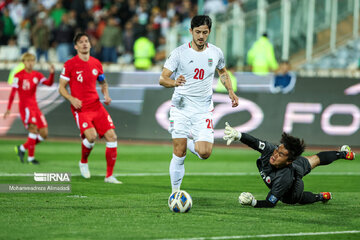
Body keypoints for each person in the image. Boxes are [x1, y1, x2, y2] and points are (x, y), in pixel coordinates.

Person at [159, 15, 239, 193]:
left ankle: (186, 141)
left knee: (204, 153)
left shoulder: (216, 52)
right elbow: (162, 78)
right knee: (179, 152)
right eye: (197, 32)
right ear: (191, 32)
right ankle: (175, 193)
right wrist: (174, 82)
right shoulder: (179, 53)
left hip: (203, 110)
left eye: (204, 32)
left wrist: (230, 91)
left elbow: (223, 72)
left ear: (209, 32)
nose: (201, 36)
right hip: (181, 107)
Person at [223, 122, 356, 208]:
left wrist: (253, 202)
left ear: (288, 161)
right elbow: (254, 142)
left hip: (293, 187)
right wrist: (239, 135)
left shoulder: (283, 179)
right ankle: (344, 154)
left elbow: (270, 202)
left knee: (295, 199)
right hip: (294, 165)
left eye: (280, 154)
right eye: (277, 150)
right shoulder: (271, 151)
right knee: (316, 159)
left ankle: (320, 196)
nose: (275, 154)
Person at [58, 32, 121, 184]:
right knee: (91, 136)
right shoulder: (70, 64)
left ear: (90, 45)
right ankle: (83, 162)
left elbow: (103, 82)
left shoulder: (96, 63)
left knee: (112, 137)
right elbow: (61, 88)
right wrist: (71, 98)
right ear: (76, 46)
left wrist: (106, 95)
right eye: (81, 42)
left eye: (86, 41)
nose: (85, 43)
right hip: (81, 108)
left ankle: (109, 176)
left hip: (96, 105)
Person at [3, 52, 54, 164]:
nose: (30, 63)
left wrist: (52, 74)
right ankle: (31, 158)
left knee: (44, 133)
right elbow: (13, 93)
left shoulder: (37, 75)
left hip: (35, 106)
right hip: (25, 107)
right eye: (28, 61)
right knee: (33, 129)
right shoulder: (18, 75)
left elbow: (49, 83)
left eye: (32, 61)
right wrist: (8, 108)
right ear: (24, 62)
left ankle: (21, 148)